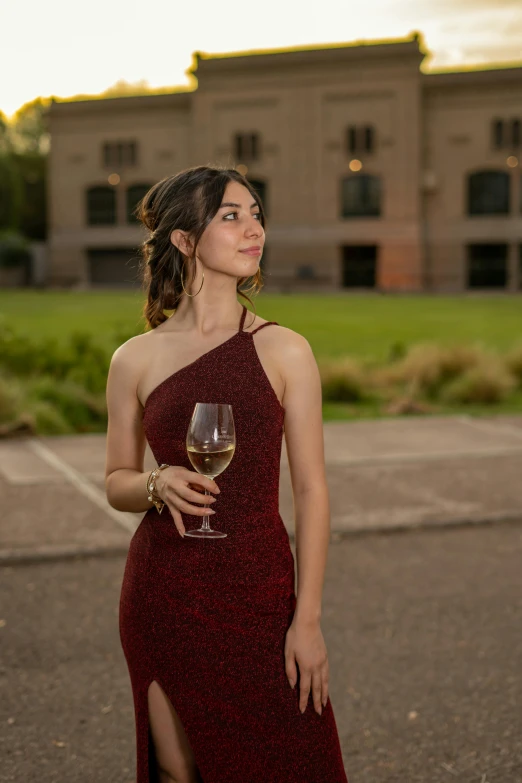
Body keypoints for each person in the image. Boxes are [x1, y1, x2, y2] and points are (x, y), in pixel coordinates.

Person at [105, 165, 349, 783]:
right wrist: (157, 485)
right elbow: (116, 480)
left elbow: (313, 491)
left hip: (262, 599)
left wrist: (309, 619)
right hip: (164, 596)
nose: (254, 230)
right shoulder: (134, 358)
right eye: (232, 216)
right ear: (185, 240)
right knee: (179, 769)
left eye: (257, 215)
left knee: (294, 762)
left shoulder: (285, 349)